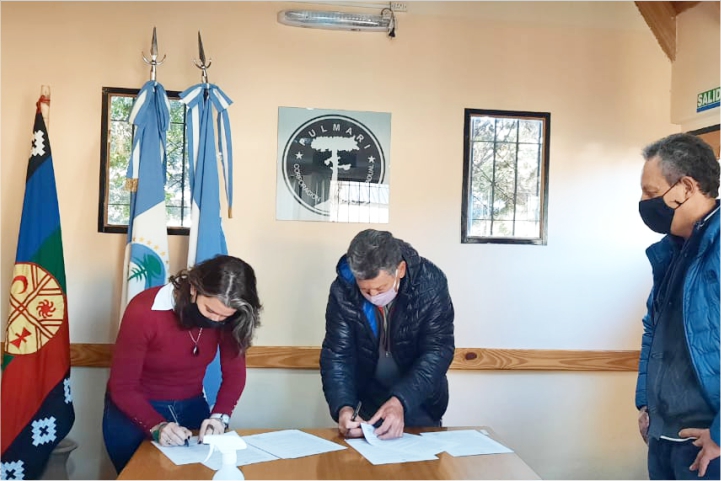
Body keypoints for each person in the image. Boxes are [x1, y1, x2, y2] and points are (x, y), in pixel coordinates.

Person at [102, 255, 262, 474]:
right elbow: (122, 386)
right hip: (134, 409)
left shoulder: (231, 318)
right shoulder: (144, 310)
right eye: (210, 310)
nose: (216, 320)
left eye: (224, 316)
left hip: (191, 405)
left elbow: (234, 375)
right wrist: (156, 425)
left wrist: (219, 417)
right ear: (194, 289)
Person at [635, 133, 720, 479]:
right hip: (663, 438)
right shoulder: (671, 251)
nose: (643, 202)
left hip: (707, 448)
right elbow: (653, 329)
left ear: (685, 187)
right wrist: (645, 402)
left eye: (650, 192)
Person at [320, 229, 455, 440]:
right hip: (367, 401)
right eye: (365, 290)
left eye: (381, 288)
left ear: (400, 270)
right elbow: (337, 355)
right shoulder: (343, 289)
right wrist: (344, 407)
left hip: (419, 400)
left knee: (420, 460)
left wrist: (401, 401)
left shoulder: (431, 283)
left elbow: (437, 351)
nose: (373, 295)